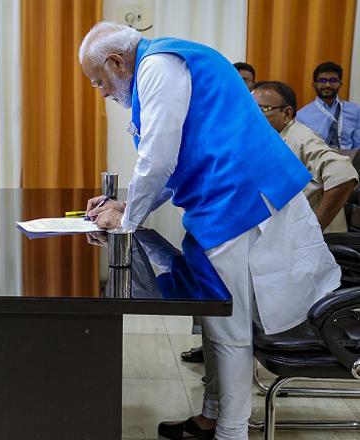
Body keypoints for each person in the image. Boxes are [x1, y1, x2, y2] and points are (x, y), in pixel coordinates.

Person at [78, 22, 340, 440]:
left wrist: (125, 222)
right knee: (215, 318)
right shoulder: (159, 62)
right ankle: (212, 416)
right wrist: (129, 206)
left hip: (241, 198)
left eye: (98, 81)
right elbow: (170, 164)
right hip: (221, 201)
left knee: (229, 327)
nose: (103, 91)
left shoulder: (156, 65)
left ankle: (230, 432)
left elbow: (159, 157)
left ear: (115, 61)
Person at [253, 81, 358, 232]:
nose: (254, 116)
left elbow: (344, 175)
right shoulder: (271, 138)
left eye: (262, 109)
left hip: (313, 241)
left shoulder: (301, 137)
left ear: (287, 114)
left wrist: (314, 229)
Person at [297, 61, 360, 149]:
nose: (327, 85)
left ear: (340, 84)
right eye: (322, 81)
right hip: (318, 160)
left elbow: (358, 146)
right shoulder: (302, 116)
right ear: (314, 84)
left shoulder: (355, 110)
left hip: (349, 159)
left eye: (333, 80)